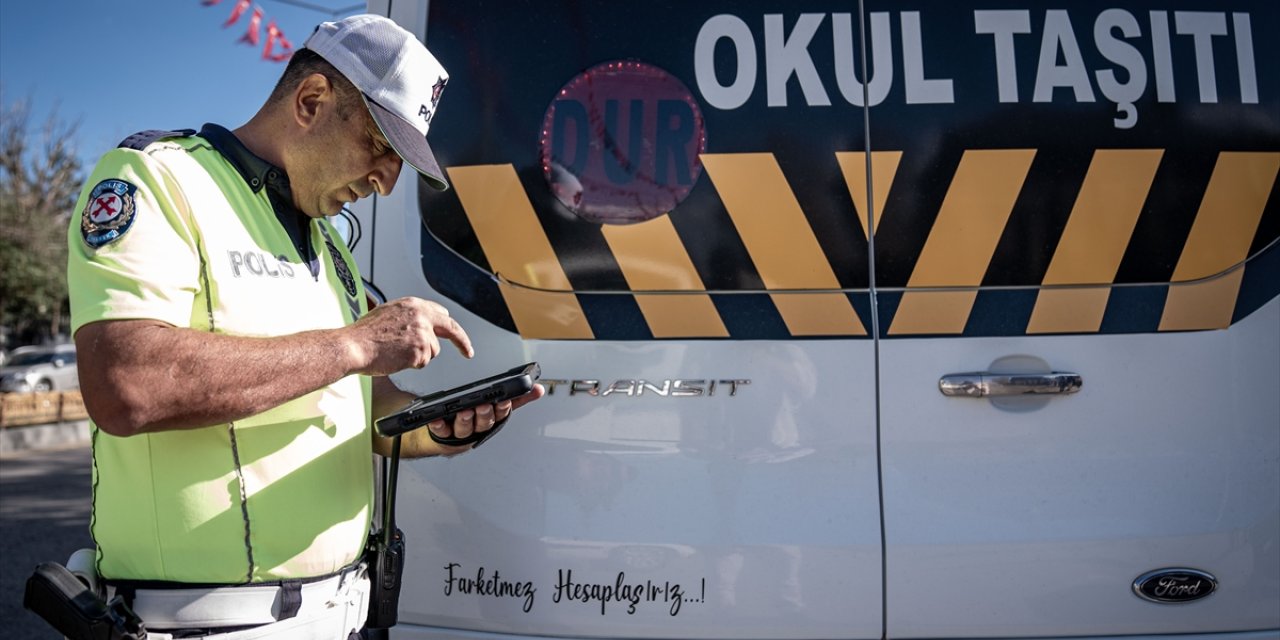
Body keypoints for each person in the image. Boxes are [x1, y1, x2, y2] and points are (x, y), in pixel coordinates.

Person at [66, 14, 543, 639]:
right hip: (202, 623)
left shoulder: (330, 247)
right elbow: (124, 383)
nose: (386, 180)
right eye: (380, 146)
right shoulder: (158, 178)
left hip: (341, 612)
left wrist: (434, 427)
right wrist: (358, 343)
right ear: (312, 100)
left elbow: (351, 398)